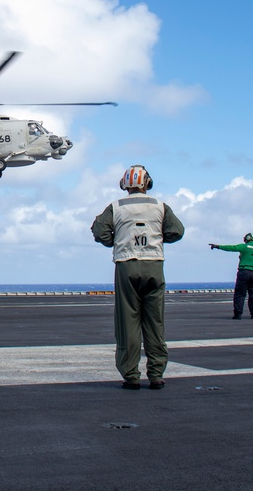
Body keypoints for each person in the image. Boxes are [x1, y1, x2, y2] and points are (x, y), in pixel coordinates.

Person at [91, 165, 185, 390]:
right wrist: (159, 239)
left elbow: (99, 231)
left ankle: (131, 375)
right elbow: (177, 231)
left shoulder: (116, 207)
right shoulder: (160, 206)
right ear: (147, 183)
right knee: (155, 322)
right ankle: (156, 374)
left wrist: (116, 241)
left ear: (125, 184)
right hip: (154, 265)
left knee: (127, 321)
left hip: (126, 266)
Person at [210, 233, 253, 320]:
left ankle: (238, 314)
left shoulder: (244, 247)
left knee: (240, 294)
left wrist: (217, 246)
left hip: (244, 272)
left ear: (247, 239)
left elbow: (231, 248)